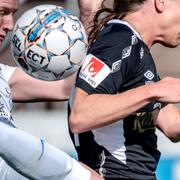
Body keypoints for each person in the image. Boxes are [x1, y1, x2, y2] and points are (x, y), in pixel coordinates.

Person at [69, 0, 180, 179]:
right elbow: (80, 114)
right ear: (161, 2)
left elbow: (172, 124)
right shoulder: (119, 39)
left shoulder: (137, 49)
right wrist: (155, 90)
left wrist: (156, 90)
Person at [0, 0, 104, 179]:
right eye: (2, 12)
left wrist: (89, 17)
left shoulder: (3, 75)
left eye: (12, 13)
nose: (10, 24)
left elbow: (65, 86)